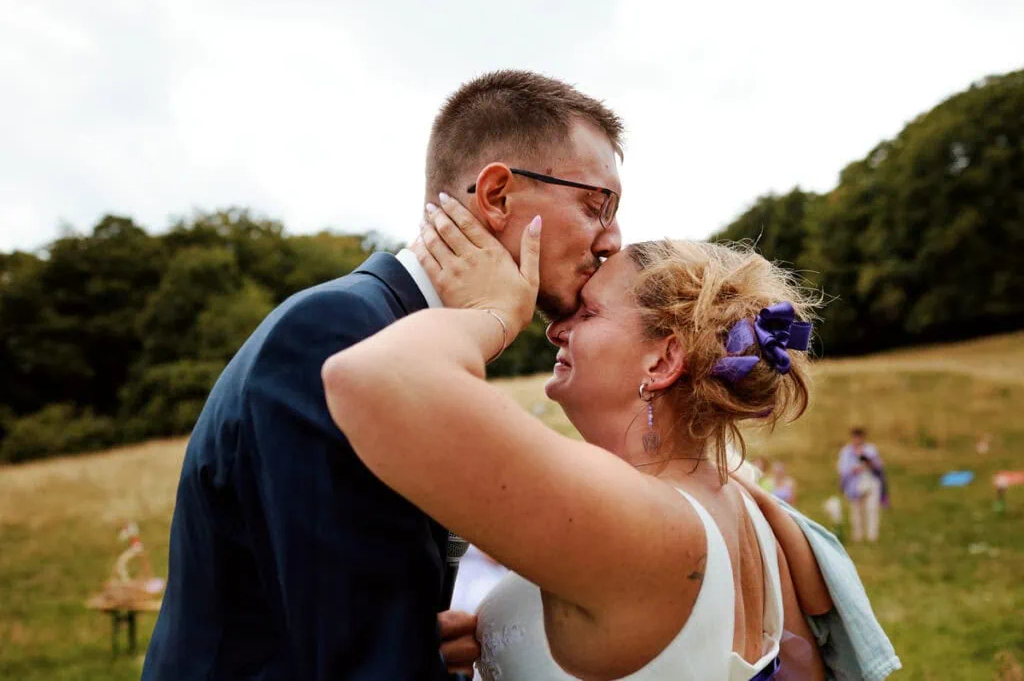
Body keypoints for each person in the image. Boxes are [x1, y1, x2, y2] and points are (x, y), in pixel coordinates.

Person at [141, 70, 624, 680]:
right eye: (597, 205)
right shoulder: (335, 332)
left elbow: (349, 604)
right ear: (497, 195)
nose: (612, 240)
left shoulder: (402, 337)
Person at [323, 197, 836, 679]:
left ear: (663, 361)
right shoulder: (744, 507)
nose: (554, 329)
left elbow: (372, 376)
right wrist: (495, 640)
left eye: (588, 313)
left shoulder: (643, 518)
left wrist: (492, 313)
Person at [837, 427, 887, 543]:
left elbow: (879, 466)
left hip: (871, 483)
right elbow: (842, 470)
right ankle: (857, 536)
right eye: (855, 437)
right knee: (856, 512)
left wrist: (869, 462)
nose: (857, 439)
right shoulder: (846, 452)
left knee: (872, 510)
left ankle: (872, 536)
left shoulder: (870, 449)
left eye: (859, 437)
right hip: (854, 486)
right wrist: (853, 470)